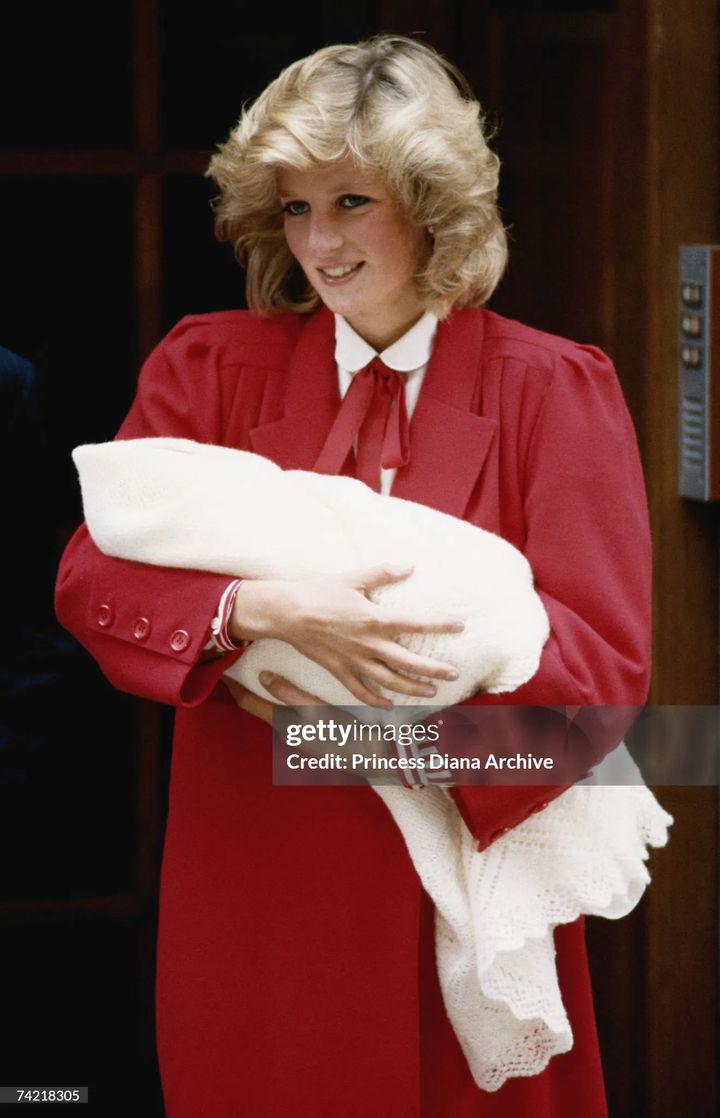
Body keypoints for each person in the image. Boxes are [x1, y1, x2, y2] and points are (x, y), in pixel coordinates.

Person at [55, 34, 652, 1117]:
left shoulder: (554, 387)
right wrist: (256, 610)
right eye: (295, 207)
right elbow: (90, 579)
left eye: (351, 202)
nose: (319, 243)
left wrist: (359, 740)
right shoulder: (207, 365)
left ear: (431, 203)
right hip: (255, 884)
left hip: (462, 899)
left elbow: (600, 686)